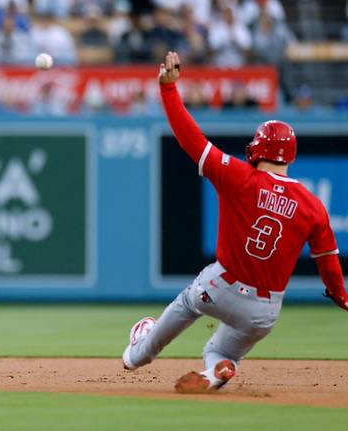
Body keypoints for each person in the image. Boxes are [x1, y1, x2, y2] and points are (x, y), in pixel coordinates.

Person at [122, 51, 348, 393]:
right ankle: (218, 370)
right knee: (219, 350)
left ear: (258, 149)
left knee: (186, 304)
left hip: (222, 285)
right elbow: (330, 265)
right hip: (265, 310)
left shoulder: (239, 177)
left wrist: (169, 91)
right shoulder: (313, 205)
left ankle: (137, 355)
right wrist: (342, 296)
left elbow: (190, 140)